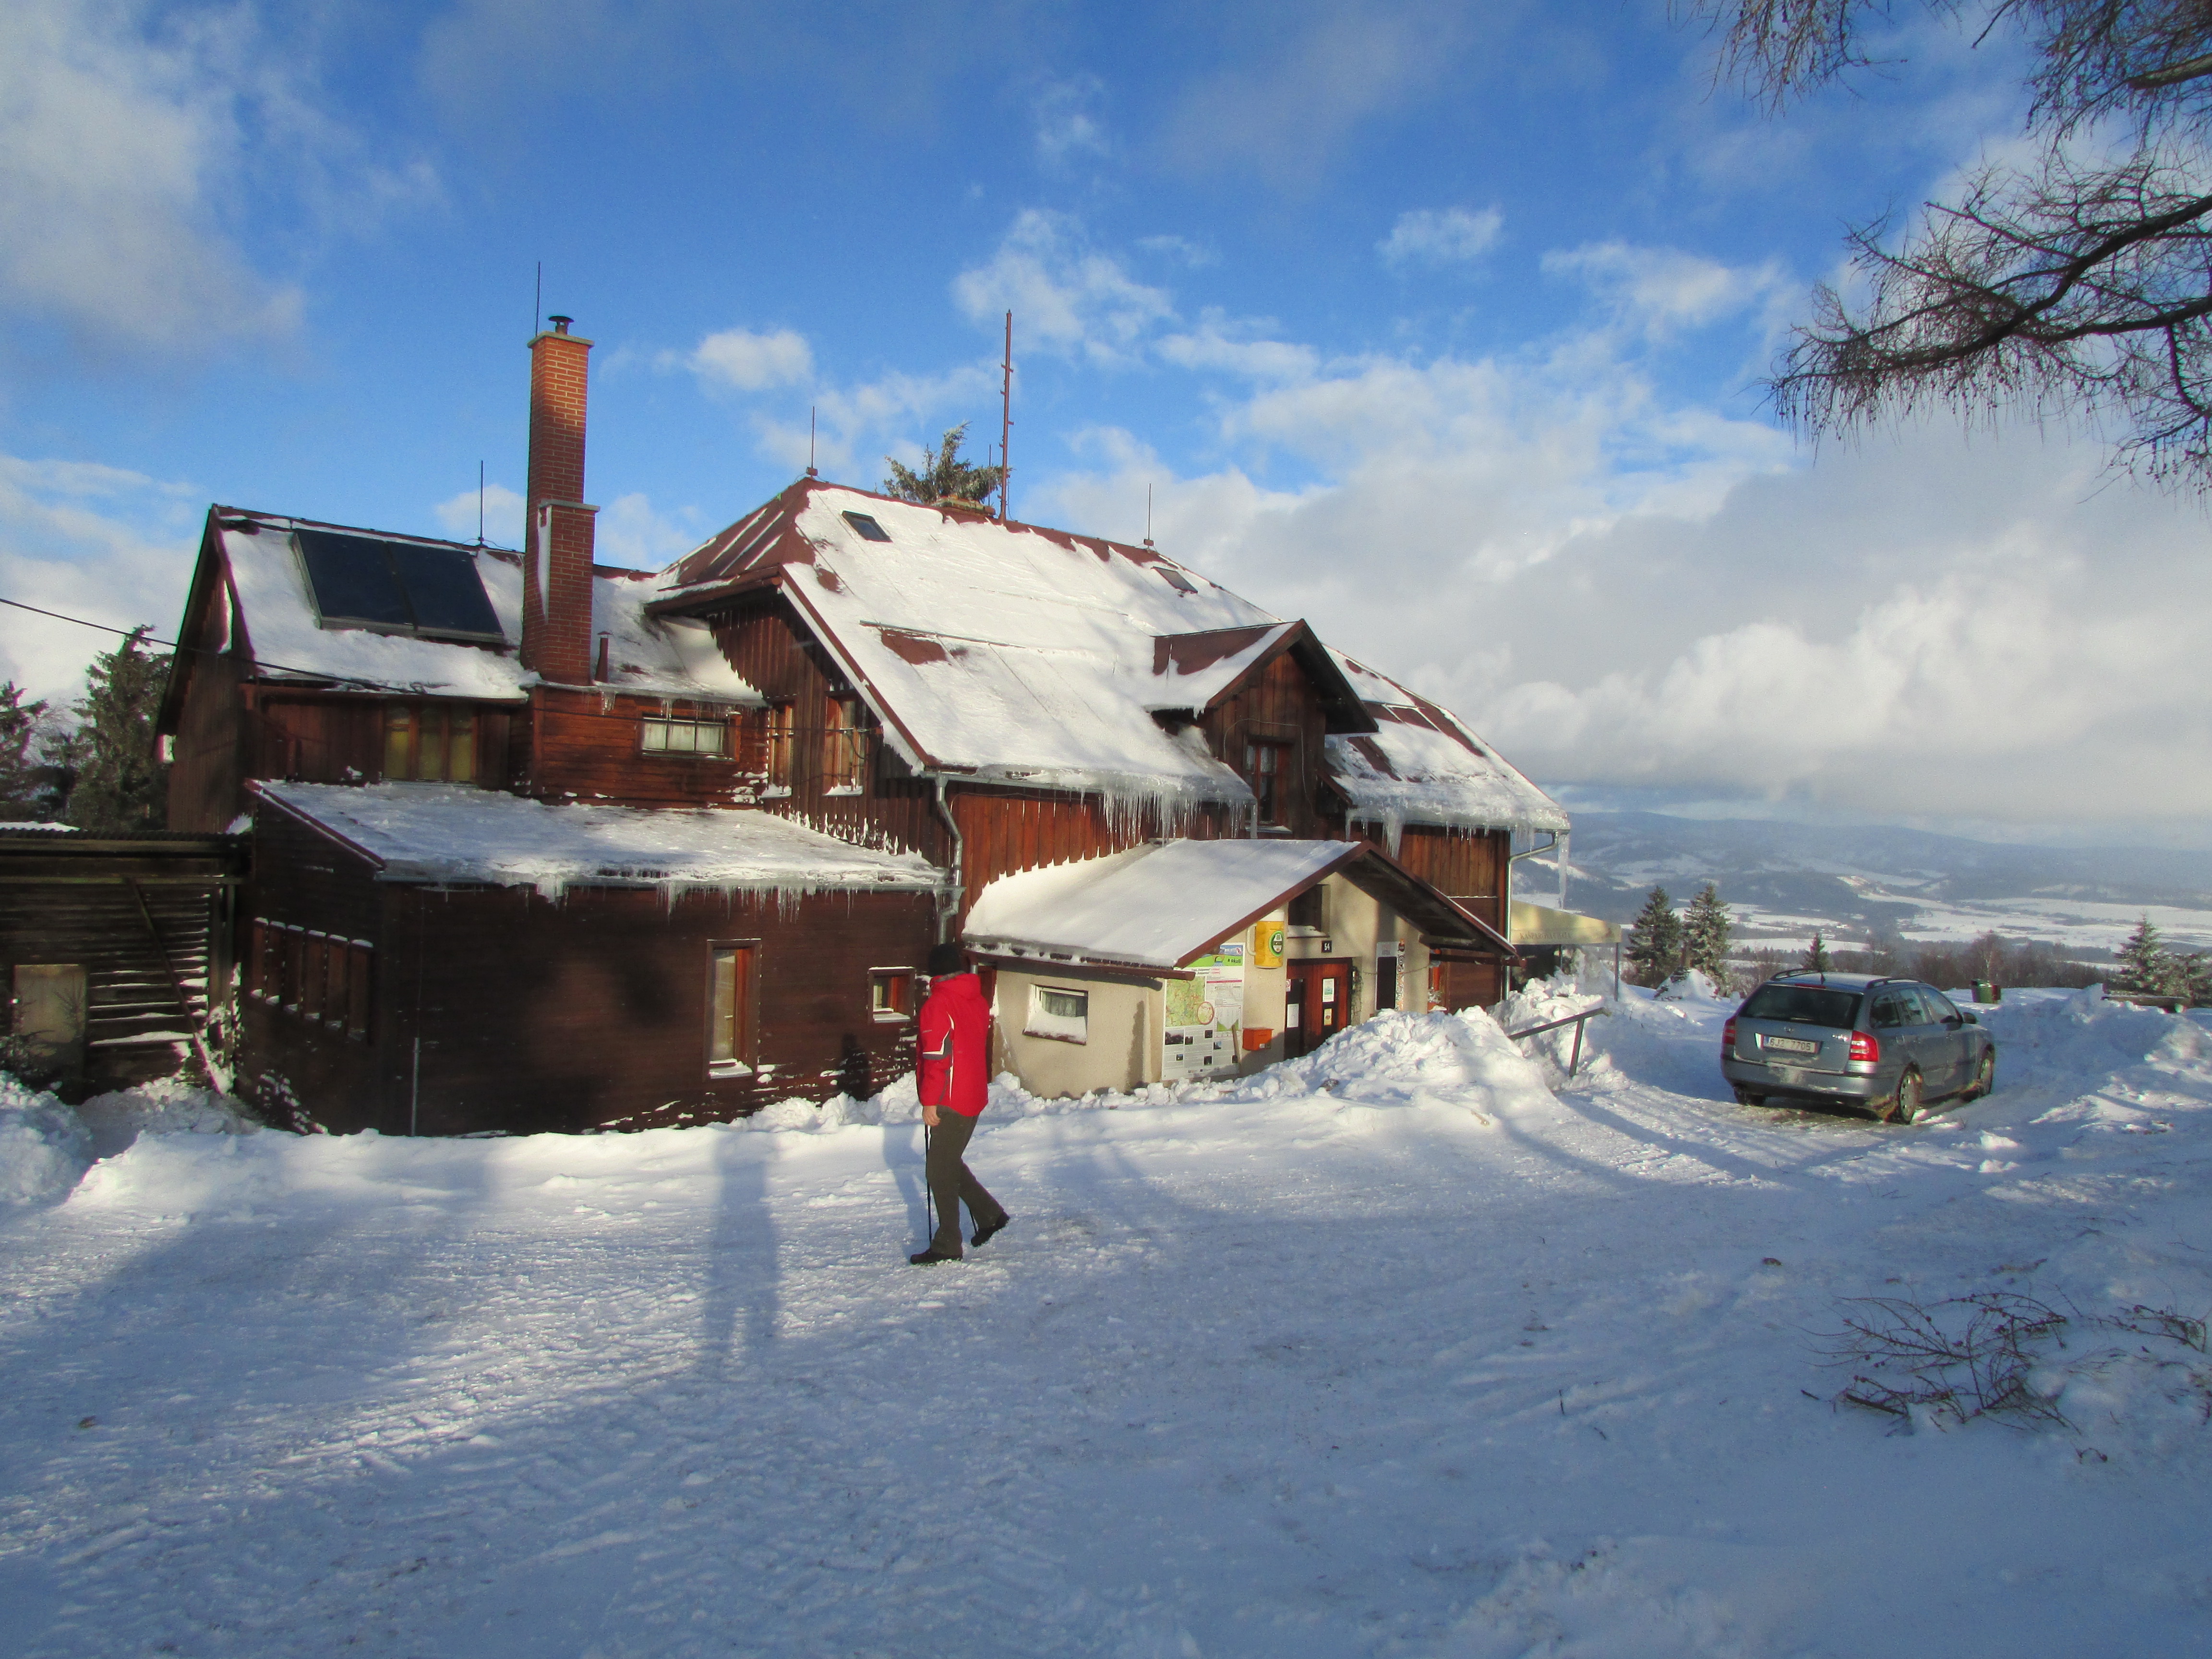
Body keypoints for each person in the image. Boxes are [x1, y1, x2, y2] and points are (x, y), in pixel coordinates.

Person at [910, 941, 1009, 1265]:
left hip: (949, 1098)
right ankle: (990, 1215)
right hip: (973, 1093)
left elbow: (937, 1057)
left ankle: (948, 1244)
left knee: (938, 1170)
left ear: (934, 974)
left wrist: (929, 1101)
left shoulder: (937, 1004)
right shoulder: (975, 998)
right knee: (948, 1162)